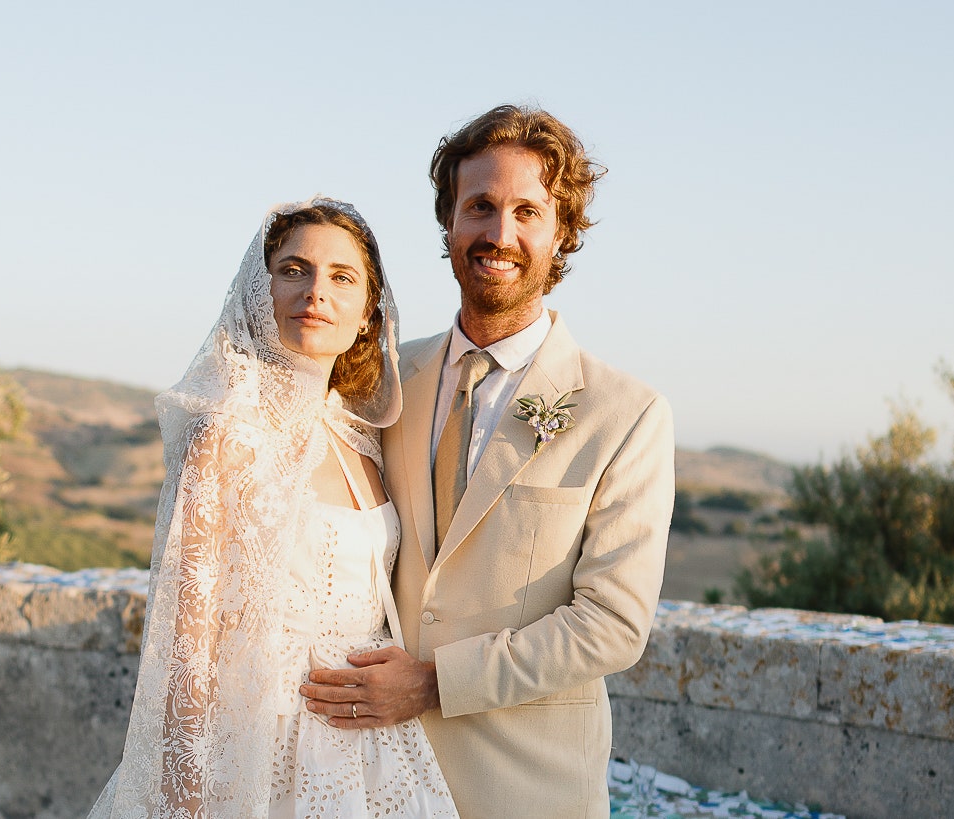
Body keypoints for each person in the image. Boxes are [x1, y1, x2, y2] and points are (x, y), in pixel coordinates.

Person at [301, 105, 676, 819]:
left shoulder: (625, 414)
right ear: (449, 223)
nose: (500, 234)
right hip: (372, 777)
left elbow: (613, 624)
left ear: (560, 231)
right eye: (480, 207)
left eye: (526, 211)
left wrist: (436, 681)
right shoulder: (380, 385)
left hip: (527, 791)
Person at [88, 198, 458, 818]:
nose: (316, 291)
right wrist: (188, 796)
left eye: (342, 277)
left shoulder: (360, 436)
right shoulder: (228, 432)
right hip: (264, 735)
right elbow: (188, 640)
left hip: (376, 744)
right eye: (293, 270)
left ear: (368, 313)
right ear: (261, 292)